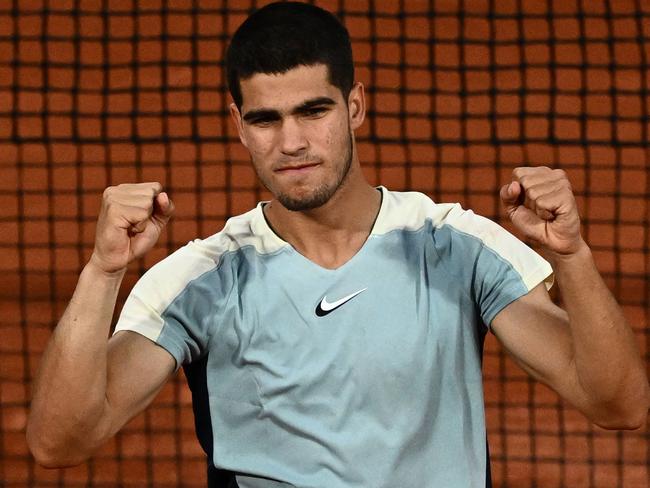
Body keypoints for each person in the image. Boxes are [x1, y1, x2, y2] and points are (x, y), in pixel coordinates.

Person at [27, 2, 648, 487]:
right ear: (237, 126)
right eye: (265, 119)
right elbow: (60, 442)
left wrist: (574, 257)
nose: (291, 142)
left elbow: (617, 403)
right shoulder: (201, 278)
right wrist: (102, 270)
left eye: (313, 110)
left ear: (354, 106)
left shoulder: (455, 245)